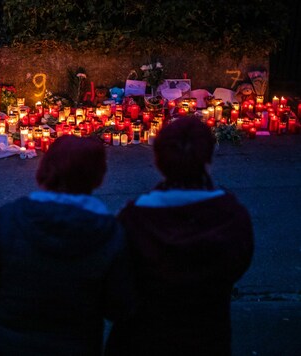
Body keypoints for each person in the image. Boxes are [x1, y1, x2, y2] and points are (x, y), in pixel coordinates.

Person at [0, 135, 131, 356]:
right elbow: (118, 302)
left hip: (7, 343)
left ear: (44, 169)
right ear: (98, 177)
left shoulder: (10, 218)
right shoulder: (109, 232)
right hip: (76, 345)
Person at [105, 116, 254, 356]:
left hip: (141, 340)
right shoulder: (231, 217)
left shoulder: (133, 219)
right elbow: (238, 264)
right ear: (208, 159)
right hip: (206, 339)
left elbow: (115, 286)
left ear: (158, 160)